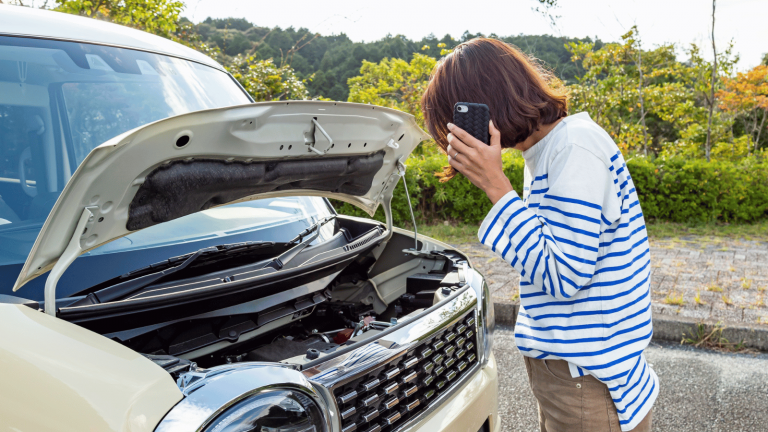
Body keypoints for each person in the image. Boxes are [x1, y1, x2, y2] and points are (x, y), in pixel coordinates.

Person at [421, 38, 657, 432]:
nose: (458, 138)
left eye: (458, 124)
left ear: (485, 103)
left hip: (587, 380)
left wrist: (496, 187)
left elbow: (565, 274)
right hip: (574, 373)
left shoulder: (573, 147)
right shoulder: (549, 150)